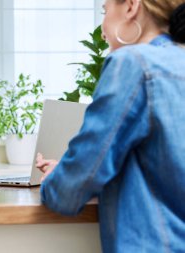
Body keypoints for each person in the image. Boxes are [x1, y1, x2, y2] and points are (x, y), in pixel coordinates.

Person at [36, 0, 185, 252]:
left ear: (130, 6)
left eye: (104, 11)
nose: (103, 29)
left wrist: (56, 180)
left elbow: (70, 191)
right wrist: (68, 169)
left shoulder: (133, 63)